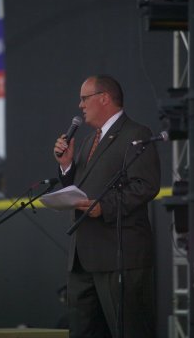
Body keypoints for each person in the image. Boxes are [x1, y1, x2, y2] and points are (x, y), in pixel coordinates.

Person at [53, 75, 161, 338]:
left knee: (129, 330)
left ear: (104, 98)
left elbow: (146, 185)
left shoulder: (136, 133)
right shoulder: (89, 141)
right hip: (82, 259)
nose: (80, 105)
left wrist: (105, 207)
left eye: (84, 98)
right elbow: (80, 187)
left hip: (118, 256)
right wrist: (66, 165)